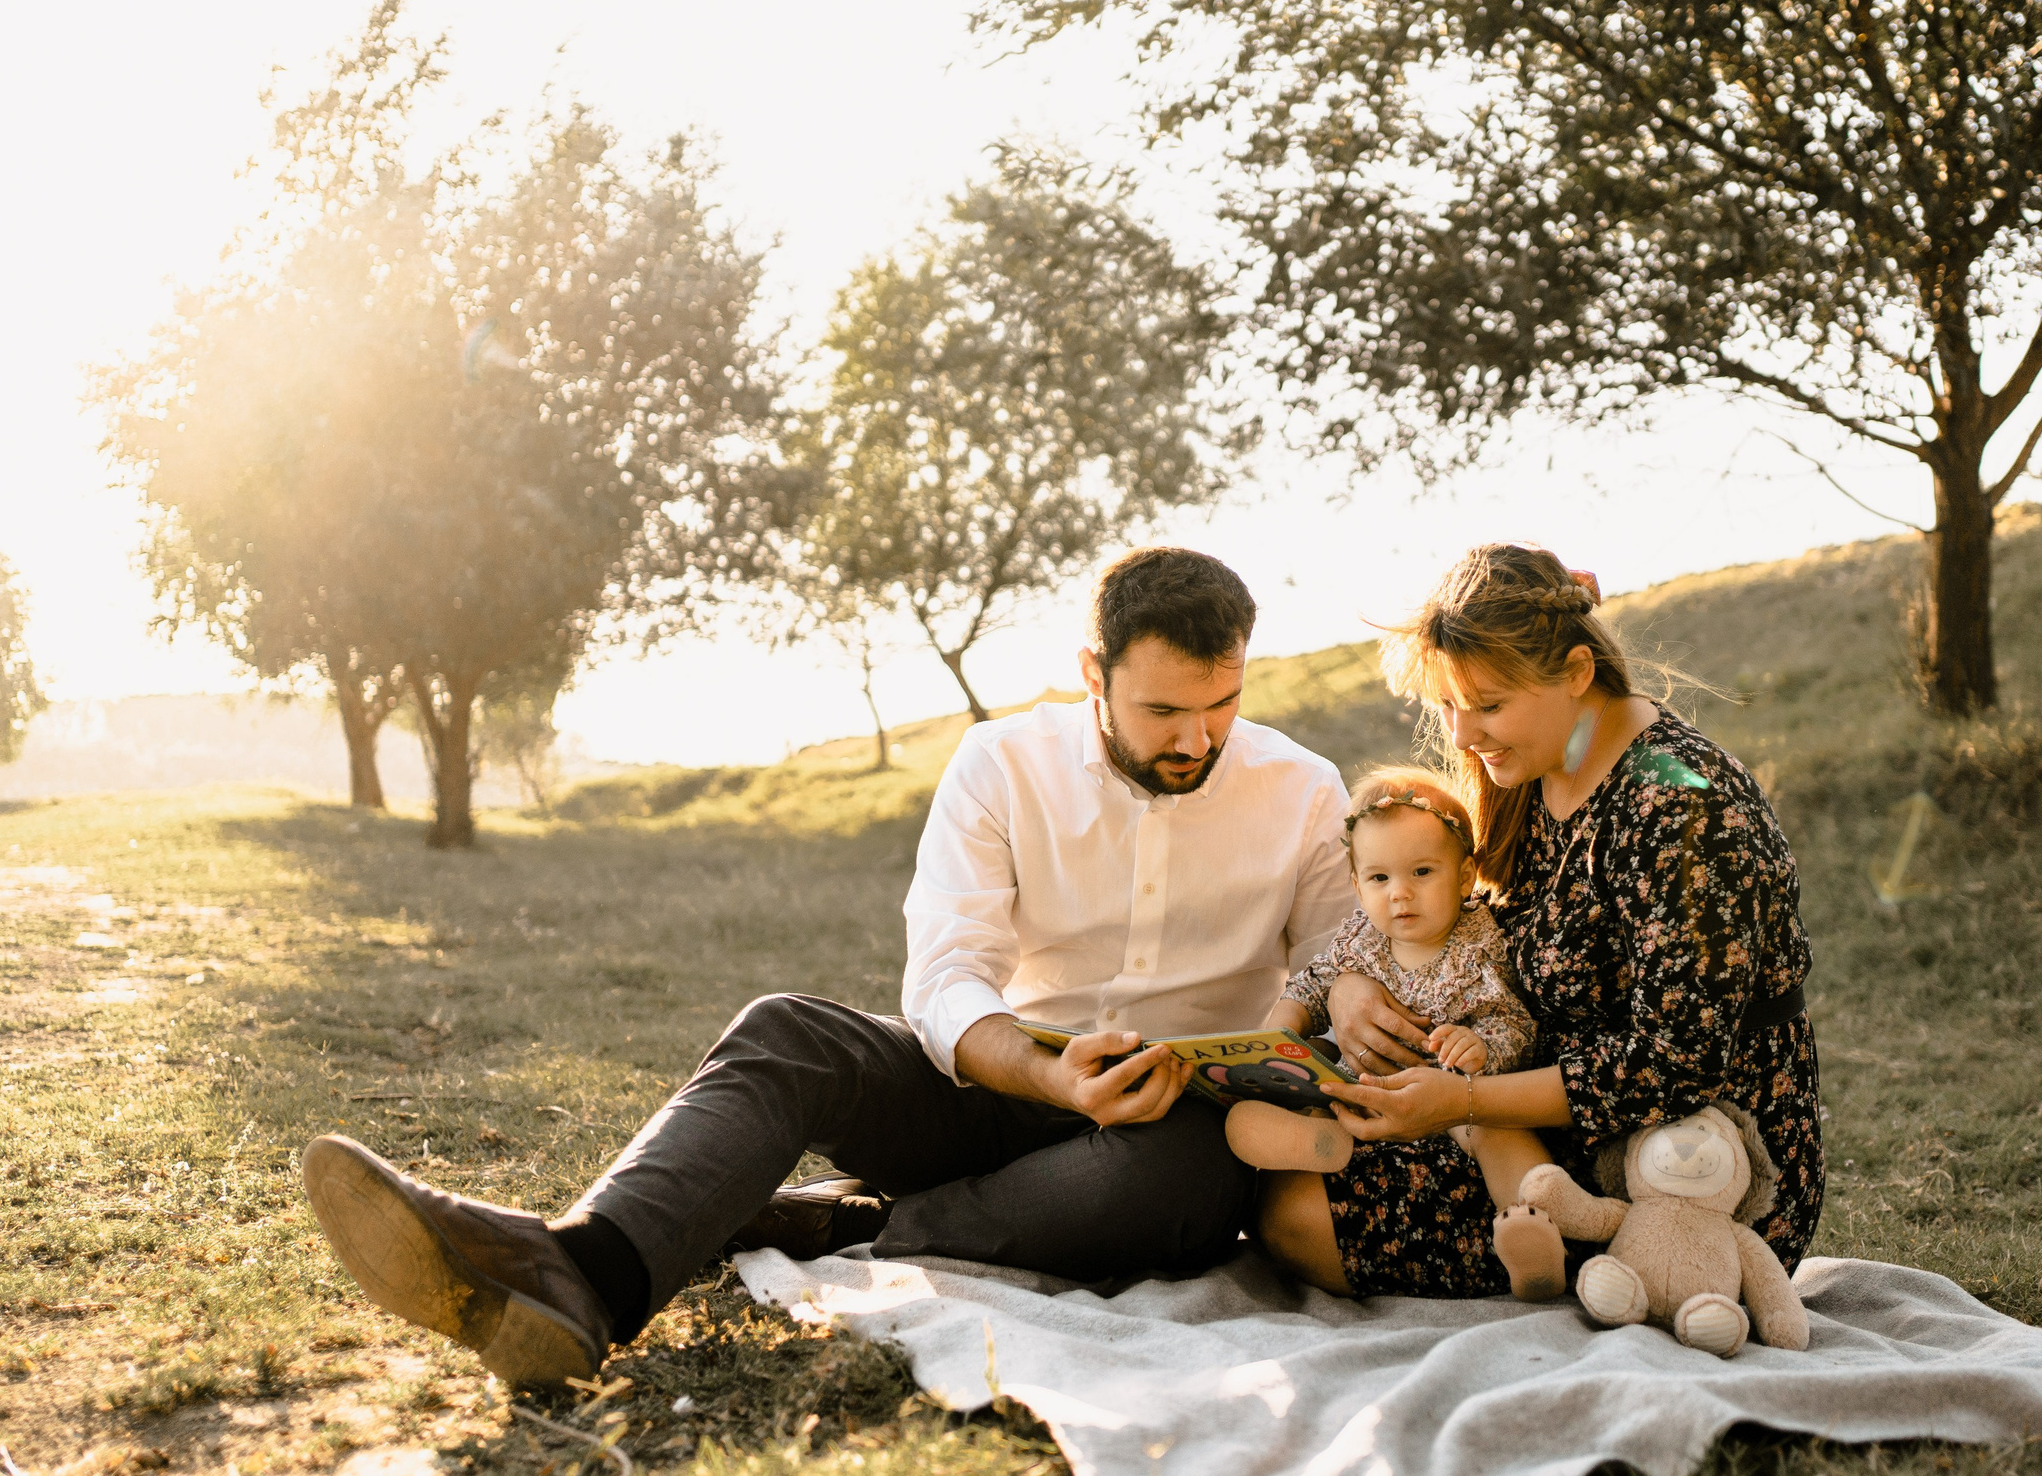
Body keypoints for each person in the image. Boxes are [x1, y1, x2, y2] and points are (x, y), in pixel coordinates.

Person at [299, 548, 1353, 1383]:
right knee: (787, 1031)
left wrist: (1325, 1026)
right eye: (1163, 711)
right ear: (1092, 676)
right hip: (1004, 1089)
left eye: (1221, 704)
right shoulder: (1001, 763)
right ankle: (586, 1272)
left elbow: (1338, 969)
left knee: (1200, 1173)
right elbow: (947, 976)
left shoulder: (1302, 791)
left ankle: (841, 1222)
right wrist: (1046, 1074)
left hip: (1160, 1137)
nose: (1197, 738)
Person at [1251, 543, 1822, 1300]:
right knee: (1282, 1183)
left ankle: (1611, 1268)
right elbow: (1466, 924)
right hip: (1526, 1108)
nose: (1460, 735)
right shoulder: (1539, 763)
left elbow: (1673, 1063)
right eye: (1448, 704)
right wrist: (1354, 985)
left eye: (1487, 705)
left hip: (1685, 1160)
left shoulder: (1683, 805)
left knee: (1300, 1217)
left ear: (1578, 673)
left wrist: (1464, 1101)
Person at [1223, 766, 1568, 1301]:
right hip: (1362, 1088)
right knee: (1319, 1087)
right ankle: (1312, 1138)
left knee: (1496, 1131)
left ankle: (1534, 1230)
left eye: (1422, 872)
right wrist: (1280, 1034)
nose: (1400, 894)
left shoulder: (1480, 942)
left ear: (1464, 876)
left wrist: (1481, 1048)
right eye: (1380, 879)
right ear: (1357, 884)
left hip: (1453, 1098)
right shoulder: (1360, 937)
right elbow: (1312, 985)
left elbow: (1514, 1021)